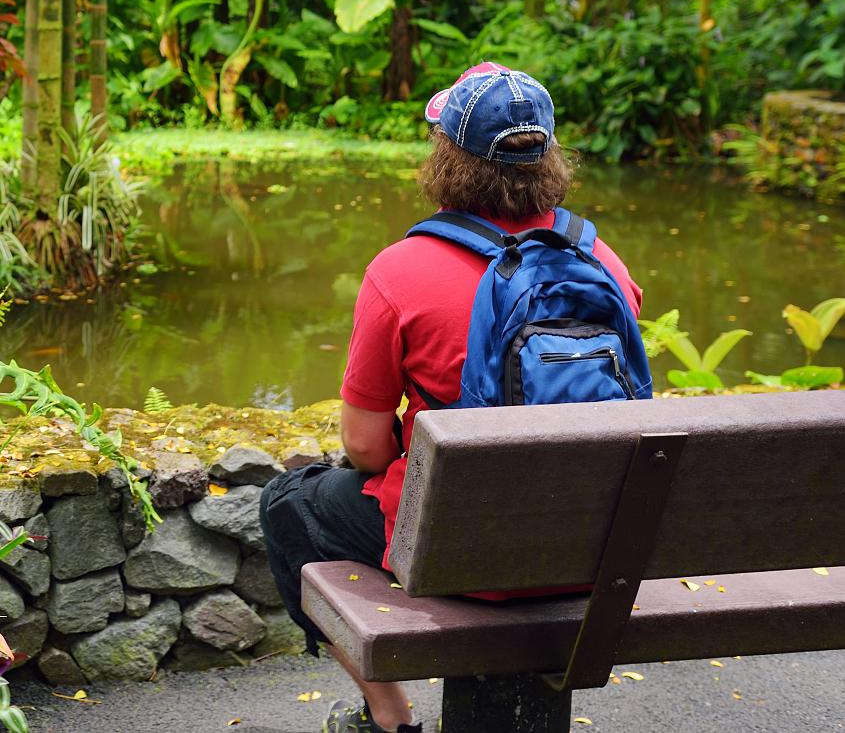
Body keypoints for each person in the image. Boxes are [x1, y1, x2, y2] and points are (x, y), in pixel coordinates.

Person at [257, 63, 643, 733]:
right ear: (548, 157)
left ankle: (389, 716)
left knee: (290, 504)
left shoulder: (402, 270)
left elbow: (367, 445)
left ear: (448, 159)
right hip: (596, 553)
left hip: (462, 554)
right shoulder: (604, 262)